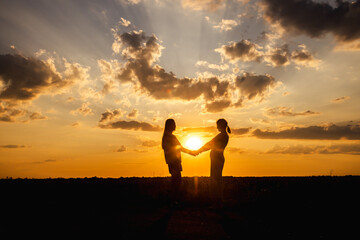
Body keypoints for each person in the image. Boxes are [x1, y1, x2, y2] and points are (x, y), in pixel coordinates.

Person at [196, 119, 231, 209]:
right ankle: (218, 203)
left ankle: (217, 203)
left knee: (215, 181)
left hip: (217, 159)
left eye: (217, 125)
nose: (216, 126)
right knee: (217, 180)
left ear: (220, 125)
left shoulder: (221, 135)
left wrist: (199, 151)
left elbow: (210, 144)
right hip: (218, 158)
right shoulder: (224, 135)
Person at [162, 118, 196, 207]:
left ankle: (173, 201)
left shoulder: (166, 136)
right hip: (174, 161)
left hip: (172, 161)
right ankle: (173, 201)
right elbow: (180, 148)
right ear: (170, 125)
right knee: (176, 181)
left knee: (175, 181)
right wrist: (192, 153)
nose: (175, 126)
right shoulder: (170, 137)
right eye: (173, 124)